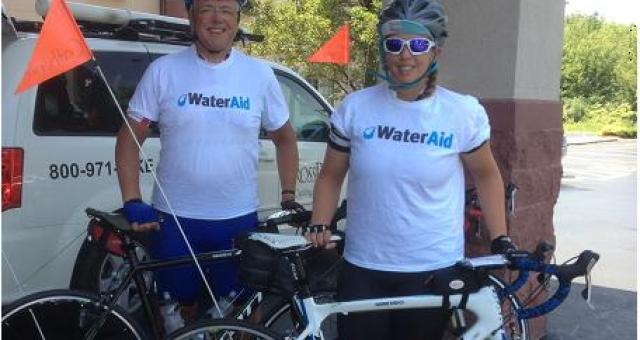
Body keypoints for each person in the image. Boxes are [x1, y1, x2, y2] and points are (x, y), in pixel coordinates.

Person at [306, 0, 517, 339]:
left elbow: (487, 175)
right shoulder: (356, 109)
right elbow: (331, 175)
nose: (405, 55)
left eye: (418, 44)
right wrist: (320, 221)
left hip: (431, 269)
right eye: (395, 44)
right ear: (383, 50)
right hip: (364, 266)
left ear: (435, 52)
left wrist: (500, 237)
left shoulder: (461, 112)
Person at [115, 0, 302, 323]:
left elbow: (285, 139)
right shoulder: (163, 70)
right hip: (175, 219)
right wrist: (132, 199)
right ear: (191, 17)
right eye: (207, 9)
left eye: (227, 10)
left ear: (237, 19)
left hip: (237, 219)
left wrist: (288, 195)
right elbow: (129, 139)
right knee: (173, 318)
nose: (217, 19)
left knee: (241, 316)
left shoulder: (259, 74)